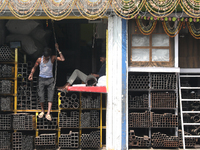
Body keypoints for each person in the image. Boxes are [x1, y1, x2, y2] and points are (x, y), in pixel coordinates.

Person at [28, 43, 65, 121]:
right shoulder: (39, 59)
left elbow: (62, 59)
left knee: (50, 96)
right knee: (41, 95)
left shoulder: (52, 58)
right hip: (41, 79)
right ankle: (42, 111)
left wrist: (58, 50)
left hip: (50, 80)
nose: (47, 58)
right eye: (46, 56)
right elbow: (34, 67)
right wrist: (31, 74)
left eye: (48, 56)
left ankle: (48, 113)